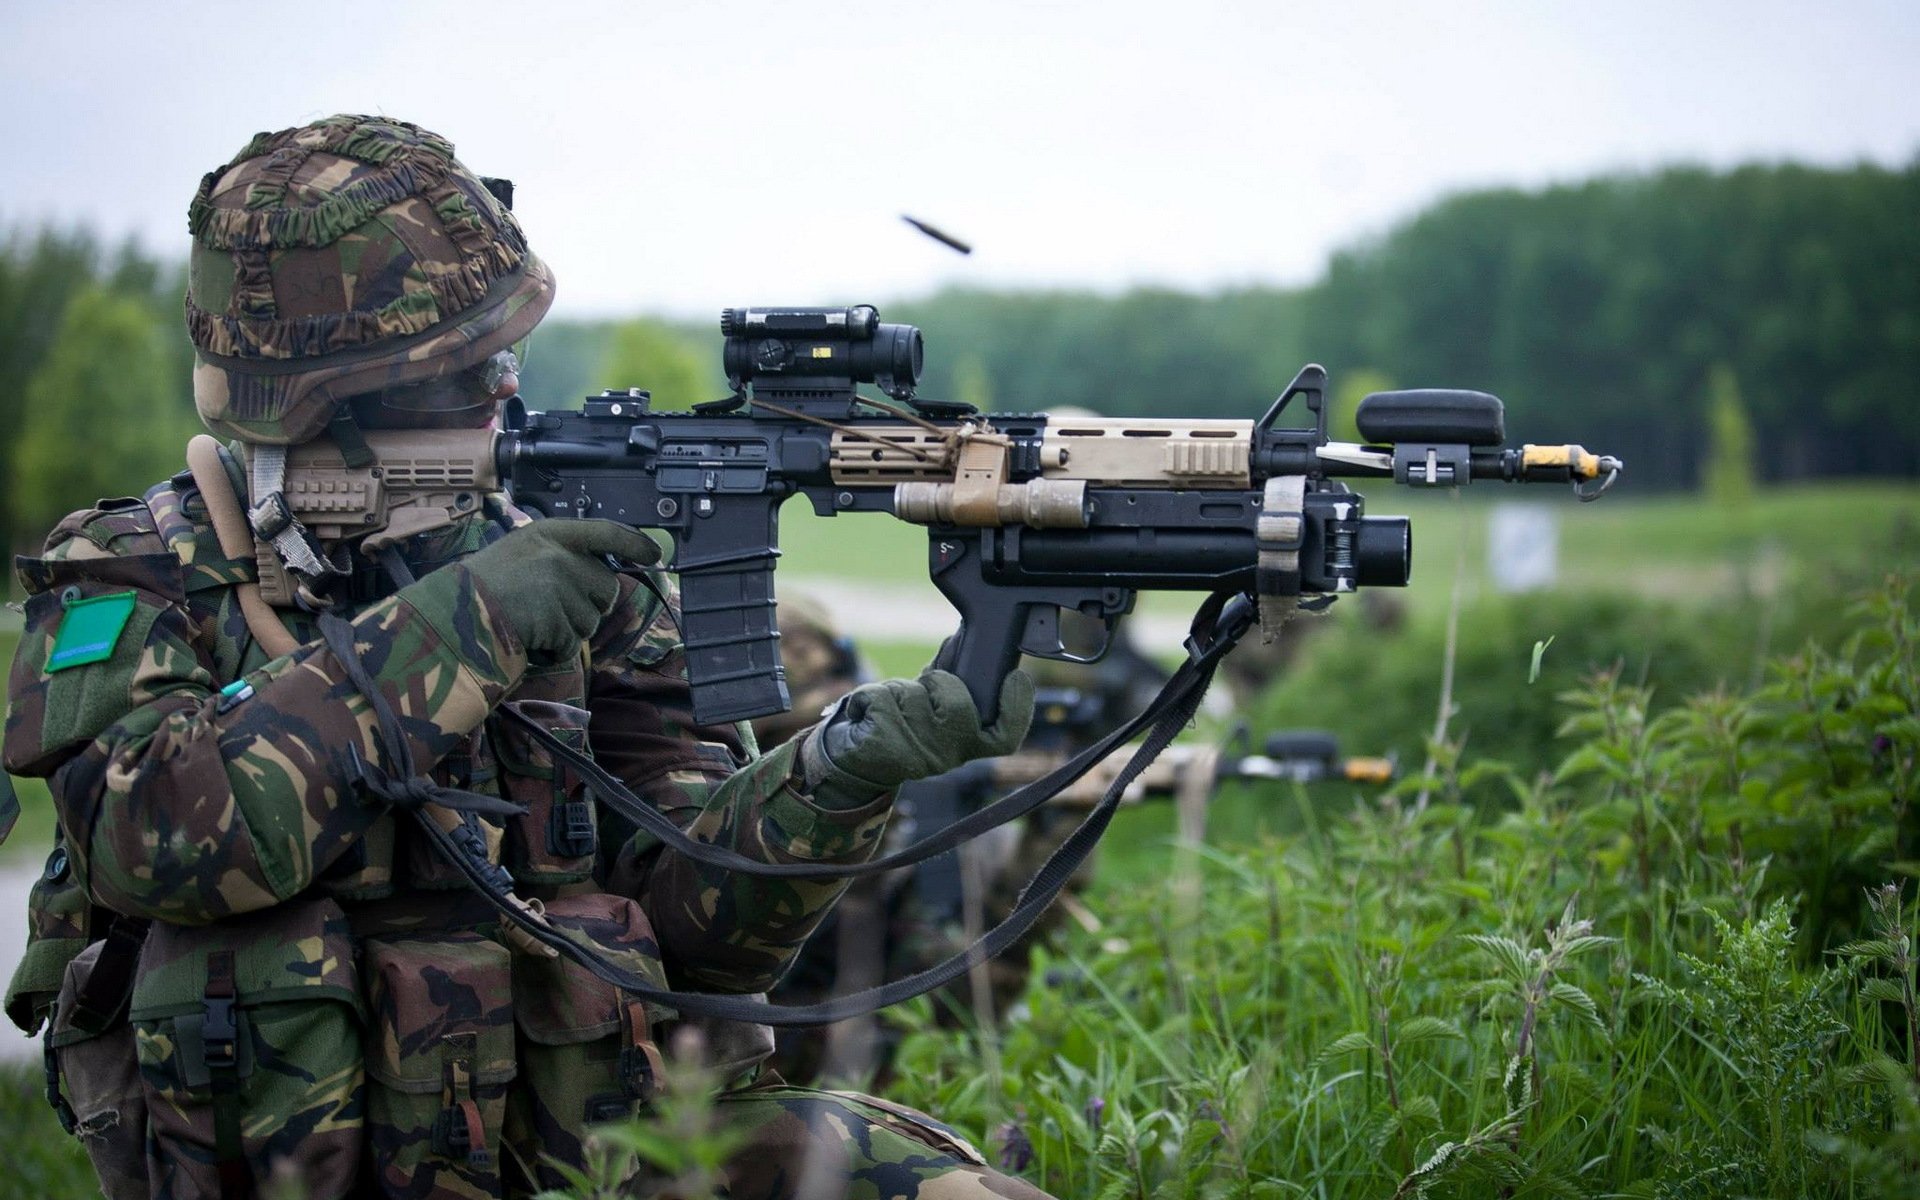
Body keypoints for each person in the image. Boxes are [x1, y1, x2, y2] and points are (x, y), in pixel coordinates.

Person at [3, 114, 1049, 1200]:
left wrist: (841, 768)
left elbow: (700, 944)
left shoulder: (563, 570)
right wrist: (476, 622)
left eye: (509, 352)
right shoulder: (135, 570)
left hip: (593, 1162)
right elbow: (156, 836)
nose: (507, 390)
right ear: (328, 404)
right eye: (463, 370)